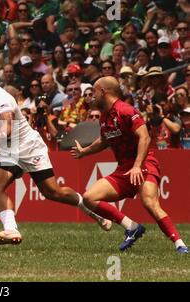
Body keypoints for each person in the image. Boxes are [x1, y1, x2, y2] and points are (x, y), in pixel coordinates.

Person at [0, 64, 111, 245]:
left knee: (53, 192)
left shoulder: (2, 99)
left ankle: (92, 211)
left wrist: (0, 134)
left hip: (28, 146)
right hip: (7, 149)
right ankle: (11, 230)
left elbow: (7, 126)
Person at [71, 76, 188, 254]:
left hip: (143, 164)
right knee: (89, 198)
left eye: (94, 91)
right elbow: (104, 140)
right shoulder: (104, 117)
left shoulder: (126, 110)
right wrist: (84, 151)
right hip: (124, 169)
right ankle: (131, 227)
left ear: (103, 91)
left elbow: (145, 137)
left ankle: (180, 245)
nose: (91, 96)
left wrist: (137, 166)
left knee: (149, 202)